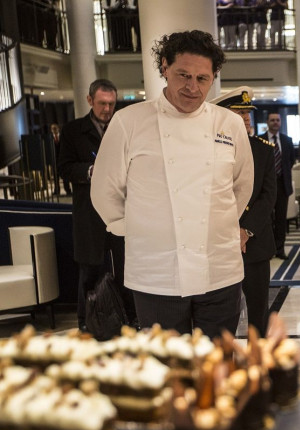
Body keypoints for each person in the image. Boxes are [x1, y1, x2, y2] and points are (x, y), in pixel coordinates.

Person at [90, 30, 254, 338]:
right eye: (183, 75)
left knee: (217, 368)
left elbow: (241, 186)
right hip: (157, 274)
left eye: (202, 79)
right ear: (164, 67)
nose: (192, 87)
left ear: (213, 77)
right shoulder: (129, 122)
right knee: (169, 371)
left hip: (220, 267)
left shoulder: (228, 124)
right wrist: (141, 231)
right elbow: (104, 190)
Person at [58, 79, 136, 331]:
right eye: (102, 103)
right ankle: (87, 322)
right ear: (90, 100)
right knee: (90, 270)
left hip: (122, 210)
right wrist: (92, 171)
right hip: (89, 214)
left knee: (127, 268)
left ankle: (128, 318)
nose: (107, 109)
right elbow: (65, 169)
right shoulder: (72, 131)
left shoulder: (124, 128)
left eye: (112, 104)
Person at [212, 86, 277, 337]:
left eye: (248, 114)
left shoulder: (263, 149)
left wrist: (246, 229)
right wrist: (229, 230)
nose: (247, 119)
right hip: (219, 242)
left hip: (256, 242)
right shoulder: (210, 151)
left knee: (258, 312)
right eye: (239, 113)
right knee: (222, 312)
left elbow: (268, 195)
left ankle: (257, 365)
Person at [260, 112, 294, 260]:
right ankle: (268, 249)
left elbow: (290, 161)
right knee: (267, 219)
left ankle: (280, 250)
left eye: (277, 120)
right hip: (265, 186)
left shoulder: (287, 140)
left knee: (281, 219)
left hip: (282, 184)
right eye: (272, 120)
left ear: (280, 122)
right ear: (267, 122)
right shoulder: (260, 140)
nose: (275, 122)